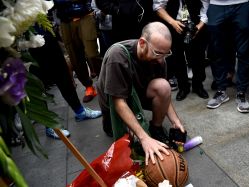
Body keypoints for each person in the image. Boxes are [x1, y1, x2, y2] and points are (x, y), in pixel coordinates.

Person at [96, 22, 185, 165]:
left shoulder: (160, 58)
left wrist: (176, 121)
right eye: (157, 53)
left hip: (139, 93)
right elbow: (118, 102)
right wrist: (144, 138)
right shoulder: (118, 56)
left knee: (163, 85)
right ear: (142, 43)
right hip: (114, 100)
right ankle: (117, 125)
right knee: (129, 143)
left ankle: (155, 129)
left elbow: (165, 93)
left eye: (166, 53)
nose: (161, 59)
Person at [29, 27, 102, 139]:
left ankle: (80, 111)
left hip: (43, 32)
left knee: (62, 74)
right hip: (26, 41)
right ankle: (50, 125)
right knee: (37, 83)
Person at [153, 0, 209, 101]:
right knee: (177, 57)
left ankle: (198, 86)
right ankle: (183, 87)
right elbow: (158, 7)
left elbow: (206, 6)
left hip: (196, 23)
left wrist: (199, 26)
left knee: (199, 56)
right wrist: (172, 22)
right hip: (174, 23)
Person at [205, 0, 249, 113]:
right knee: (217, 50)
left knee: (244, 51)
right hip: (216, 5)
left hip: (243, 3)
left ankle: (241, 92)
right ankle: (221, 90)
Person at [53, 0, 101, 103]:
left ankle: (104, 80)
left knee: (92, 54)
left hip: (85, 16)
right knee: (75, 58)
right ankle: (89, 87)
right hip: (65, 21)